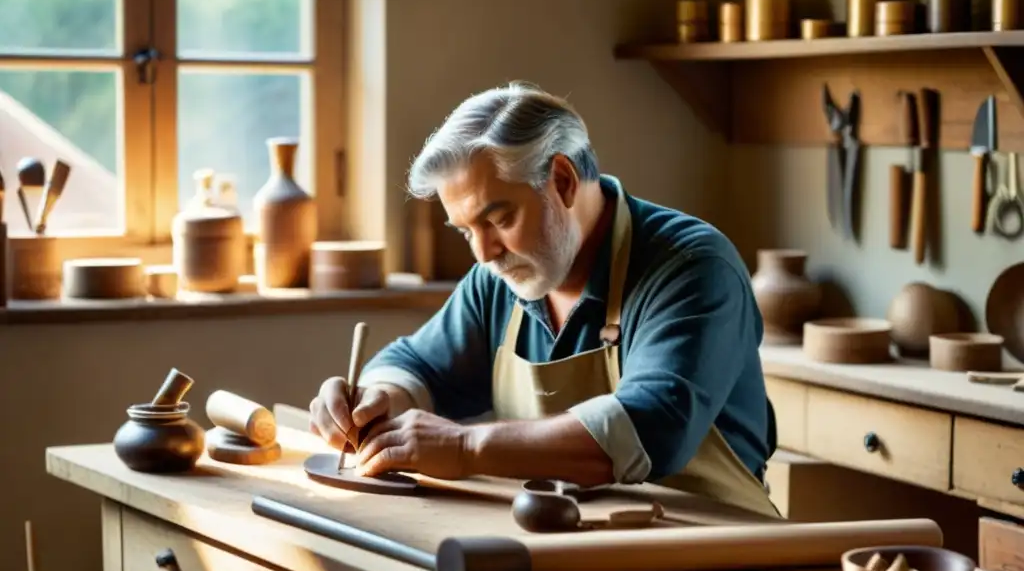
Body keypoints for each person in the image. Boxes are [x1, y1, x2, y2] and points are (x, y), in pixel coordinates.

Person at [309, 81, 780, 517]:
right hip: (576, 545)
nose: (483, 252)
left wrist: (464, 448)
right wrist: (376, 403)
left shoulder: (691, 266)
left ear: (562, 180)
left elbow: (651, 428)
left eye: (498, 219)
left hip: (719, 556)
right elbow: (417, 364)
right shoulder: (499, 278)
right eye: (465, 231)